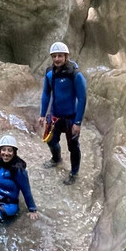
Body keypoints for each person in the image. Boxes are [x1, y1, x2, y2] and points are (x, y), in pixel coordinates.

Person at [38, 41, 87, 185]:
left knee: (73, 146)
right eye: (54, 56)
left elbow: (82, 98)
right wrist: (42, 114)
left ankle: (74, 172)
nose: (57, 59)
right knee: (51, 140)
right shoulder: (49, 73)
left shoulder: (75, 74)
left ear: (66, 56)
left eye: (60, 56)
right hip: (55, 115)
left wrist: (78, 122)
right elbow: (46, 93)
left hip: (71, 117)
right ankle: (56, 158)